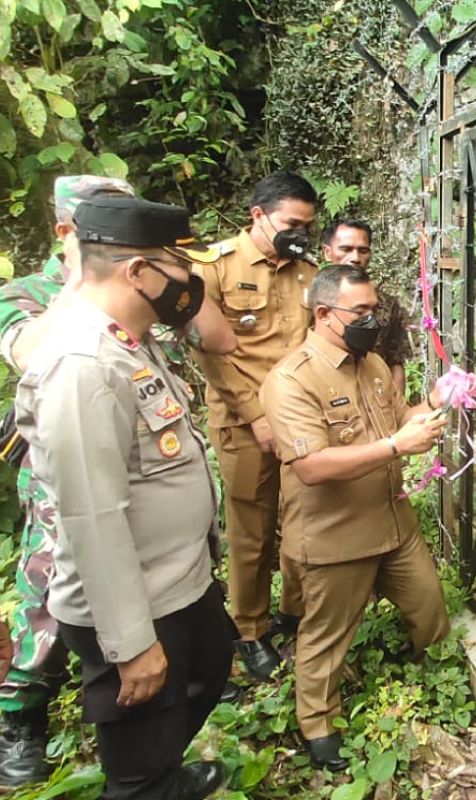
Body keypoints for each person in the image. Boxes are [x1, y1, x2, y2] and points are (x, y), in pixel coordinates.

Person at [0, 176, 236, 788]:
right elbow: (92, 519)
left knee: (207, 669)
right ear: (138, 271)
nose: (189, 279)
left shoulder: (128, 340)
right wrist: (131, 645)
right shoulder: (82, 365)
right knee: (139, 758)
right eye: (177, 264)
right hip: (134, 603)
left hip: (172, 580)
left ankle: (164, 770)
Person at [260, 265, 450, 770]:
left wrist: (431, 403)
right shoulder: (290, 382)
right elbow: (312, 466)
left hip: (392, 521)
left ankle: (432, 675)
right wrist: (395, 445)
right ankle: (318, 726)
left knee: (429, 604)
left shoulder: (369, 365)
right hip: (335, 536)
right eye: (361, 312)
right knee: (326, 636)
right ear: (323, 314)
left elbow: (395, 420)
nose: (373, 320)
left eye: (375, 309)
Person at [192, 171, 319, 680]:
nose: (301, 235)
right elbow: (211, 356)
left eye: (309, 226)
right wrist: (257, 416)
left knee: (306, 520)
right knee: (252, 530)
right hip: (243, 423)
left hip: (301, 421)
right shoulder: (215, 269)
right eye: (292, 224)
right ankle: (249, 628)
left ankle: (293, 611)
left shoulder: (307, 271)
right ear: (258, 215)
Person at [320, 219, 412, 388]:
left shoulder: (387, 304)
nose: (355, 258)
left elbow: (395, 362)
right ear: (327, 252)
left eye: (363, 251)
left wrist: (395, 411)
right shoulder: (311, 301)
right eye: (346, 249)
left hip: (375, 400)